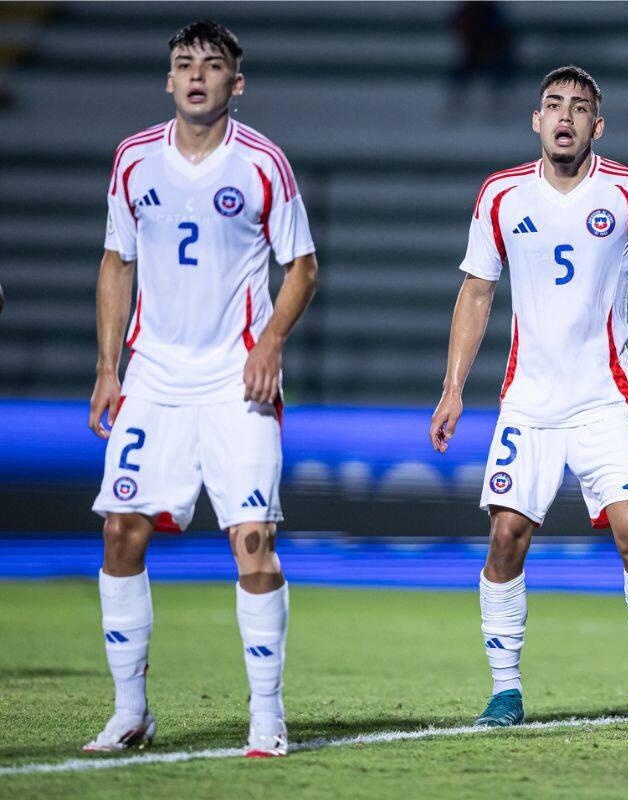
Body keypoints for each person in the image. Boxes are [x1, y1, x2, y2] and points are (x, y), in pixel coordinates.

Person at [429, 65, 628, 731]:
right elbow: (476, 291)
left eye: (579, 107)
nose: (565, 116)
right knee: (506, 537)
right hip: (527, 404)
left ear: (597, 125)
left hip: (603, 403)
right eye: (553, 105)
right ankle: (505, 690)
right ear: (536, 120)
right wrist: (452, 391)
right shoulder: (501, 195)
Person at [85, 21, 318, 756]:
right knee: (122, 532)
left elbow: (302, 267)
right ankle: (130, 712)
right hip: (153, 376)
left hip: (234, 384)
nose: (196, 75)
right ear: (168, 80)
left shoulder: (262, 164)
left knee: (253, 541)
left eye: (212, 66)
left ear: (234, 85)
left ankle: (266, 714)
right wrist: (107, 366)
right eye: (183, 64)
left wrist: (270, 343)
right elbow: (116, 262)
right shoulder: (132, 161)